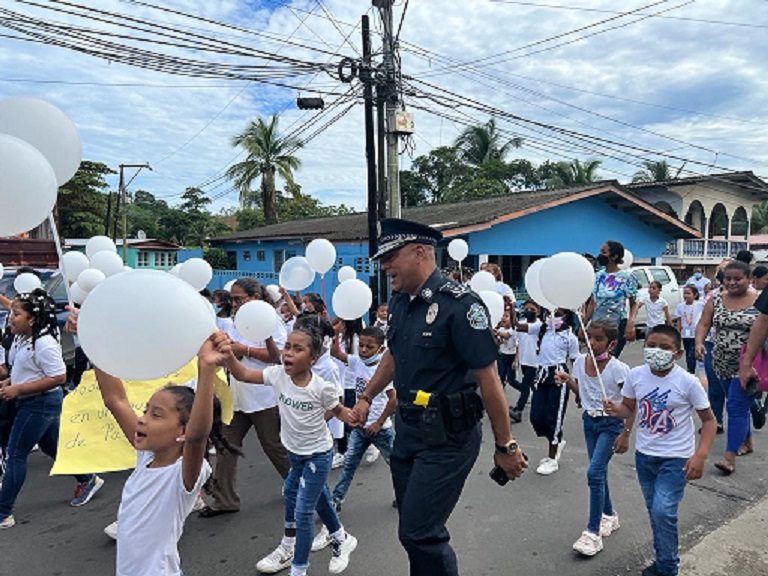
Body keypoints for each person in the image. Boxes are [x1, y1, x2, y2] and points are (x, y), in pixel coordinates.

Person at [351, 218, 527, 576]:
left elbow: (490, 379)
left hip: (449, 437)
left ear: (420, 253)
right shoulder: (400, 302)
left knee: (421, 532)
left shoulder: (461, 305)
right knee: (412, 528)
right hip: (410, 430)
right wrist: (367, 396)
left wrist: (505, 445)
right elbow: (395, 354)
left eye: (391, 257)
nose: (384, 266)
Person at [226, 324, 359, 576]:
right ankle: (341, 537)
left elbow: (340, 411)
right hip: (294, 454)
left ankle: (298, 569)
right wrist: (228, 355)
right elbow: (243, 373)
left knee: (303, 510)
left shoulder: (321, 387)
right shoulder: (277, 375)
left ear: (313, 358)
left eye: (297, 349)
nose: (288, 353)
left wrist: (355, 414)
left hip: (317, 456)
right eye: (287, 346)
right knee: (301, 495)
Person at [92, 332, 227, 576]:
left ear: (182, 432)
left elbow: (197, 438)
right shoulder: (146, 457)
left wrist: (206, 368)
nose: (142, 420)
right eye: (145, 411)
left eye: (156, 415)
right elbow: (115, 399)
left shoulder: (181, 476)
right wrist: (94, 341)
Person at [605, 324, 716, 576]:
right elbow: (629, 408)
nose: (657, 351)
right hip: (645, 456)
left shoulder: (688, 382)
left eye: (665, 348)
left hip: (676, 458)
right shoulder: (636, 375)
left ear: (677, 353)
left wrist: (700, 455)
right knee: (656, 512)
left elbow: (709, 421)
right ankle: (663, 559)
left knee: (663, 511)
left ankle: (668, 567)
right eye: (652, 346)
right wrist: (616, 410)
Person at [0, 290, 103, 529]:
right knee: (50, 445)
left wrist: (18, 390)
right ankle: (88, 479)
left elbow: (59, 377)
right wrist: (9, 383)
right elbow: (22, 369)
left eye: (16, 313)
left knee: (15, 454)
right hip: (30, 399)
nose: (10, 318)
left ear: (32, 319)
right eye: (10, 312)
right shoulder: (21, 338)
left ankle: (3, 512)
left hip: (41, 403)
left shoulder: (44, 343)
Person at [200, 278, 290, 517]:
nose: (236, 303)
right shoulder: (235, 322)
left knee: (274, 447)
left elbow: (280, 356)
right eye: (234, 299)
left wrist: (244, 350)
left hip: (263, 397)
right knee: (226, 447)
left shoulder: (270, 320)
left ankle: (303, 488)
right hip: (237, 397)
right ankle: (225, 500)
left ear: (255, 297)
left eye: (240, 298)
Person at [555, 320, 633, 557]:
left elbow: (631, 405)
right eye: (589, 337)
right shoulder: (579, 362)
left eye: (598, 339)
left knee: (594, 473)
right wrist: (568, 381)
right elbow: (583, 394)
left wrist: (625, 434)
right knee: (598, 472)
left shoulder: (619, 369)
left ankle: (592, 533)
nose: (591, 343)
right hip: (590, 422)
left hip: (611, 425)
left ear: (612, 344)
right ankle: (609, 515)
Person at [695, 260, 759, 474]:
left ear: (749, 279)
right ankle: (747, 440)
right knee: (735, 403)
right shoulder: (715, 299)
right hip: (720, 361)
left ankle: (729, 457)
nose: (731, 283)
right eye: (728, 278)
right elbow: (704, 323)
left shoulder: (760, 302)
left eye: (737, 279)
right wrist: (699, 343)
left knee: (735, 407)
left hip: (749, 364)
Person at [328, 326, 395, 512]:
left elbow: (393, 400)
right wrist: (335, 333)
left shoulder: (384, 371)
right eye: (361, 346)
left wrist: (378, 423)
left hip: (381, 430)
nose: (364, 350)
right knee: (349, 464)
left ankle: (403, 496)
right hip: (359, 426)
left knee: (397, 466)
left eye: (369, 347)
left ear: (380, 349)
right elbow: (337, 353)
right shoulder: (357, 362)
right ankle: (336, 500)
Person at [529, 308, 580, 475]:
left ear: (564, 316)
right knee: (536, 416)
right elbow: (520, 327)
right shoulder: (543, 330)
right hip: (542, 375)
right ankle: (556, 439)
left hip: (558, 376)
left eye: (557, 314)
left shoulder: (570, 337)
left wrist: (578, 390)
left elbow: (575, 362)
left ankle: (552, 458)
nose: (551, 317)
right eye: (549, 313)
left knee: (554, 417)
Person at [586, 241, 639, 358]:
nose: (600, 255)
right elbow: (592, 302)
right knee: (594, 359)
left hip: (616, 324)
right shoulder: (598, 276)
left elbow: (634, 304)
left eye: (604, 252)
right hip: (597, 324)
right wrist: (584, 324)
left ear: (614, 256)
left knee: (609, 359)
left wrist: (631, 323)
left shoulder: (627, 277)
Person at [509, 300, 542, 423]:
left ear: (538, 311)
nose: (529, 312)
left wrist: (512, 310)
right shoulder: (522, 323)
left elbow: (517, 326)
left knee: (526, 384)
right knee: (531, 385)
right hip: (524, 360)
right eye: (526, 309)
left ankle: (519, 409)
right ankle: (540, 403)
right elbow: (515, 333)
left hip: (535, 361)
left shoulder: (539, 325)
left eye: (532, 310)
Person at [673, 286, 702, 374]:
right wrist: (678, 333)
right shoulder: (680, 306)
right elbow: (679, 320)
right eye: (684, 293)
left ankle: (694, 369)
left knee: (693, 352)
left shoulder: (700, 305)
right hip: (685, 334)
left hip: (696, 333)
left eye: (688, 293)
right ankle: (690, 369)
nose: (686, 295)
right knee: (688, 352)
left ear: (695, 294)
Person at [495, 310, 518, 388]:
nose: (503, 318)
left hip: (511, 356)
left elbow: (507, 335)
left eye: (506, 316)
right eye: (503, 316)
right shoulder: (501, 329)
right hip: (502, 355)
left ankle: (524, 390)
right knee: (500, 377)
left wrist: (515, 361)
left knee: (511, 380)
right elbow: (499, 343)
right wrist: (498, 341)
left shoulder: (514, 330)